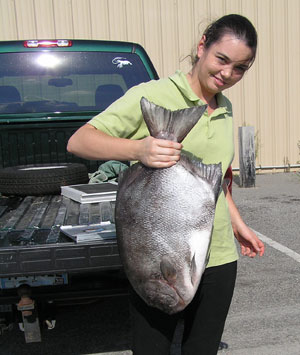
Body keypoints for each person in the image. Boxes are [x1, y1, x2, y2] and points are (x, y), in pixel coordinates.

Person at [67, 14, 265, 355]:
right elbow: (80, 141)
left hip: (216, 256)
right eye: (222, 60)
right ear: (202, 46)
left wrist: (238, 224)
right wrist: (137, 149)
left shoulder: (224, 107)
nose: (227, 74)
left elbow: (213, 177)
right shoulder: (153, 94)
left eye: (239, 68)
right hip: (155, 258)